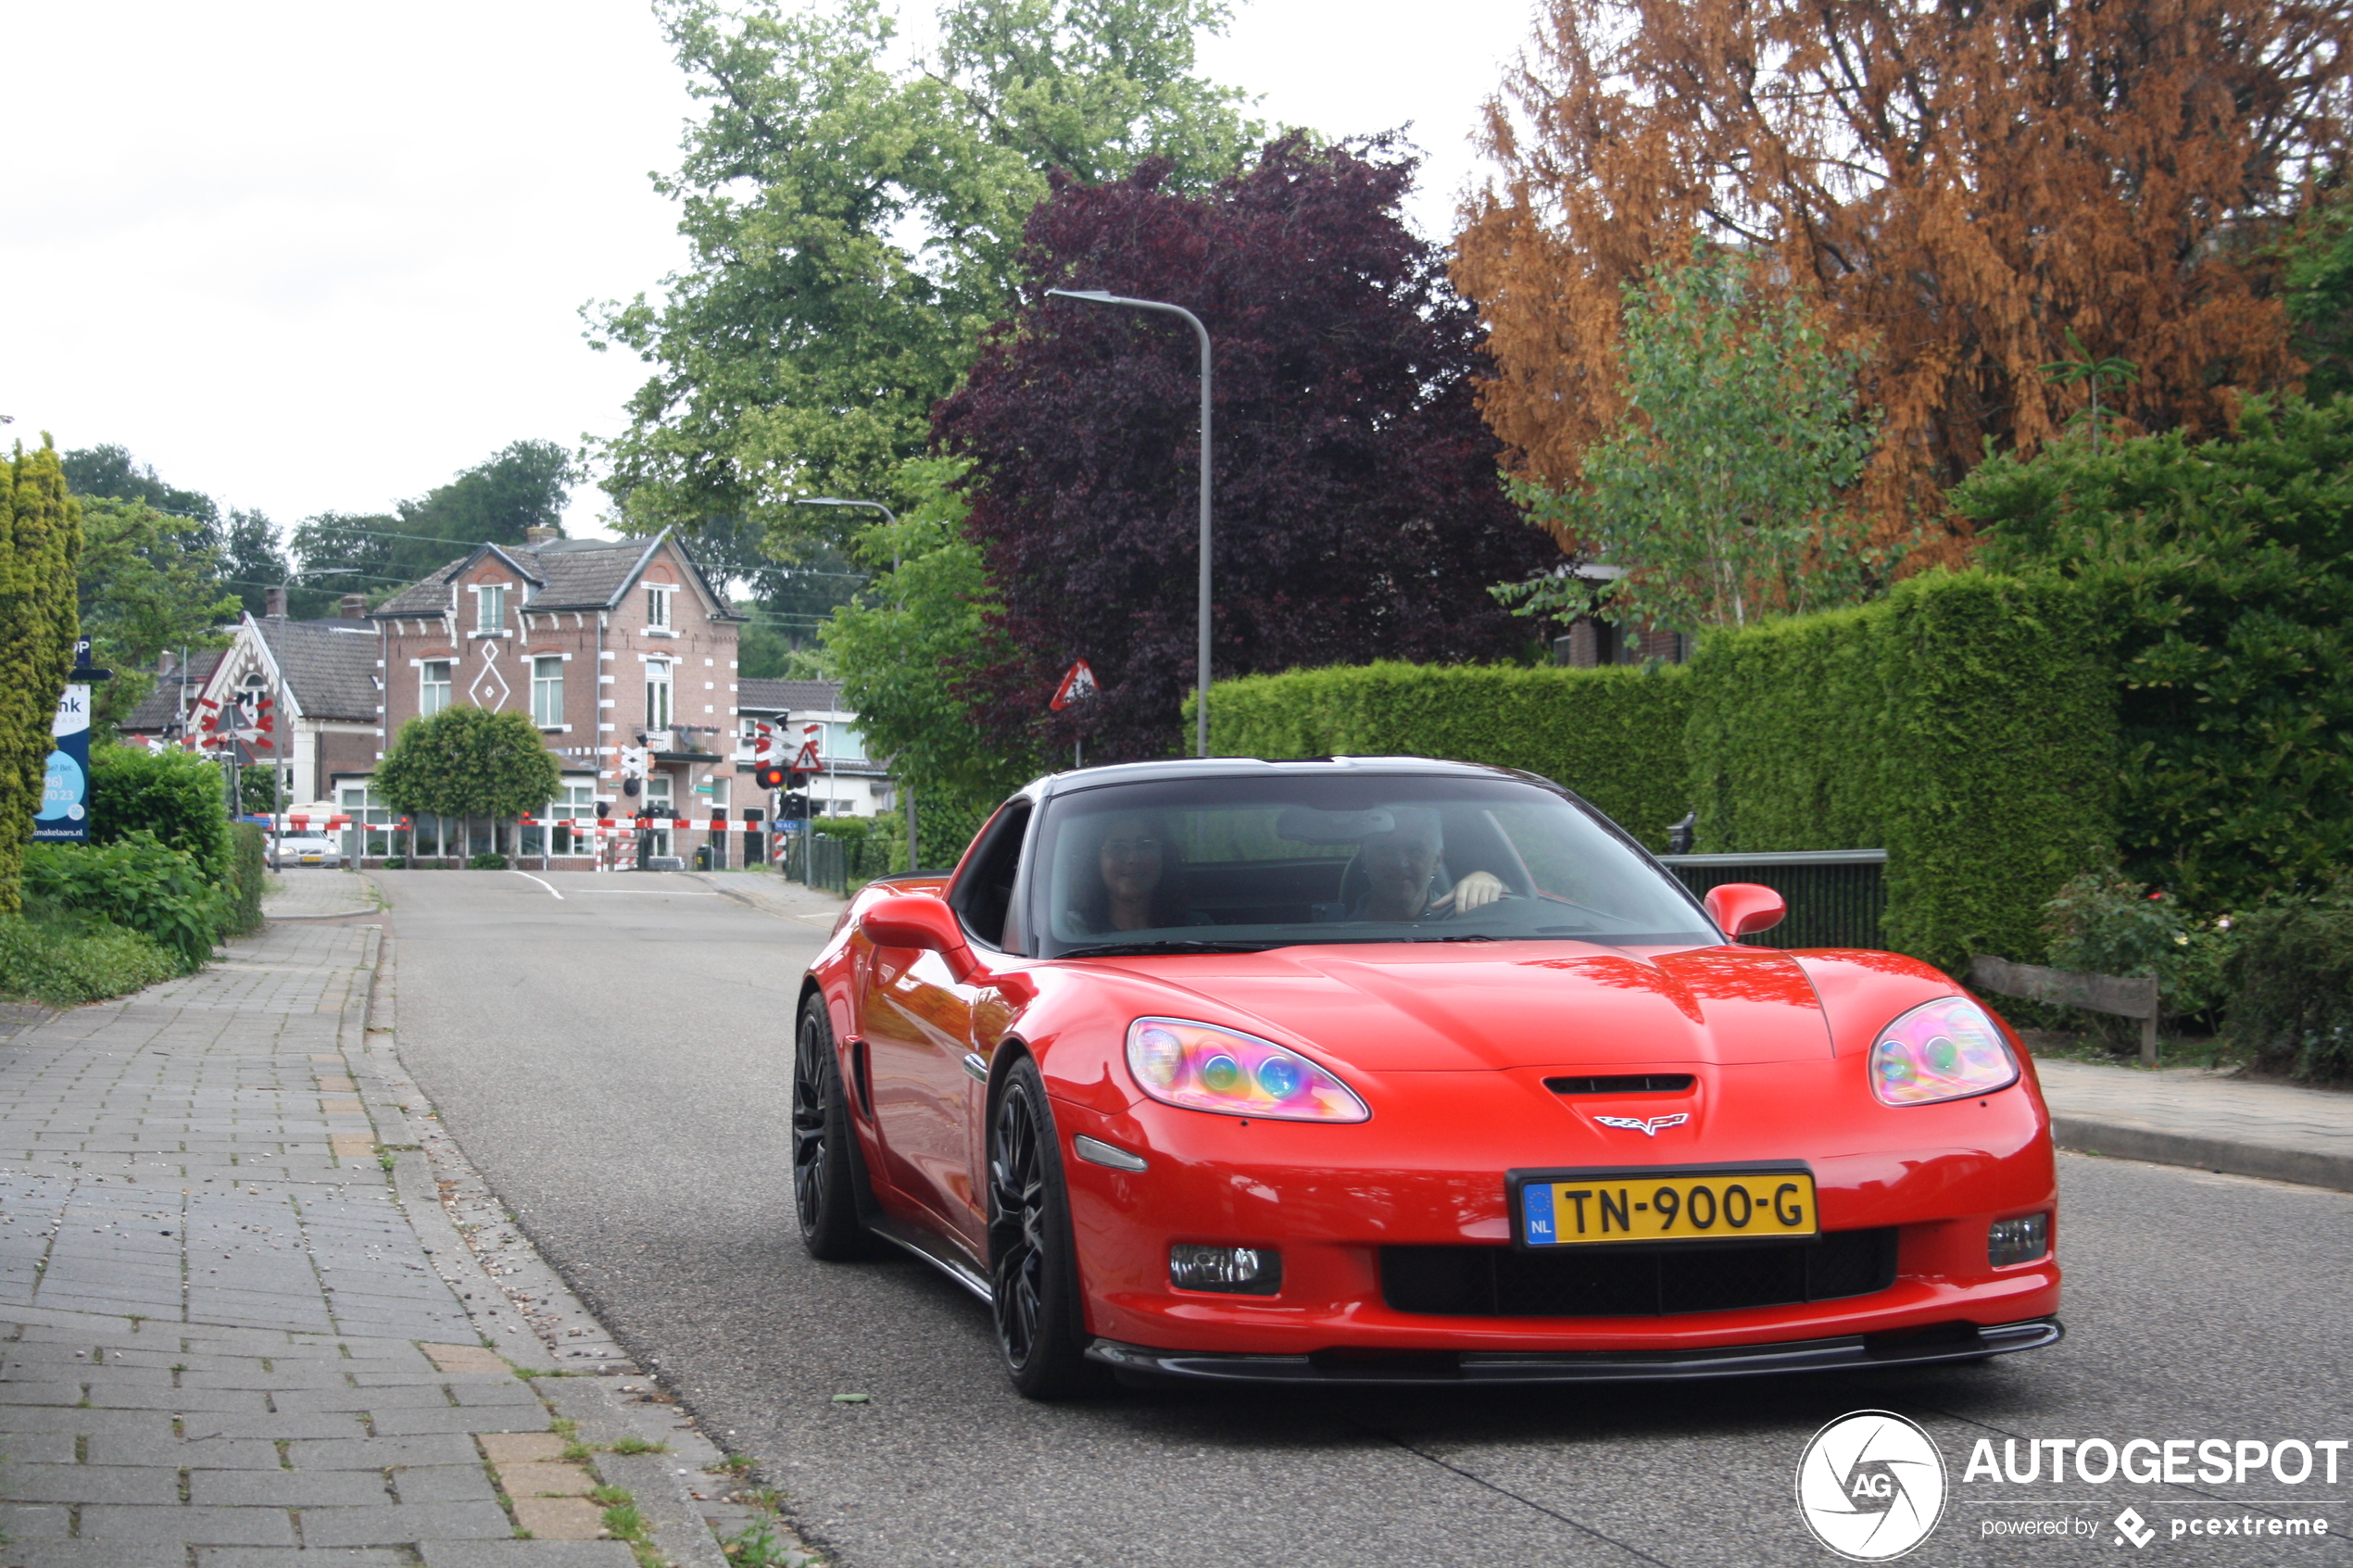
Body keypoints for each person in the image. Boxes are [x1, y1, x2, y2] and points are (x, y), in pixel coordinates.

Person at [1353, 809, 1507, 922]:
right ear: (1364, 858)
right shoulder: (1334, 925)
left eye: (1415, 851)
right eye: (1384, 849)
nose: (1399, 863)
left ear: (1438, 860)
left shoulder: (1464, 917)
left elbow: (1522, 914)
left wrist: (1492, 884)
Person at [1068, 811, 1189, 933]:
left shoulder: (1195, 928)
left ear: (1164, 855)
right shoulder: (1071, 931)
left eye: (1145, 845)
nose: (1133, 859)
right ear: (1095, 860)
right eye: (1118, 847)